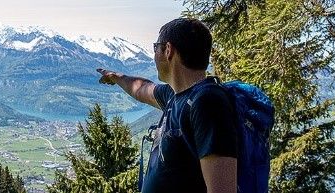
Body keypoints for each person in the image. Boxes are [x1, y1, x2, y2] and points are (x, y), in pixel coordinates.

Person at [97, 18, 238, 193]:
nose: (154, 54)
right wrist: (117, 77)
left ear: (168, 50)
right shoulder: (175, 95)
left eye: (156, 47)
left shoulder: (207, 102)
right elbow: (142, 89)